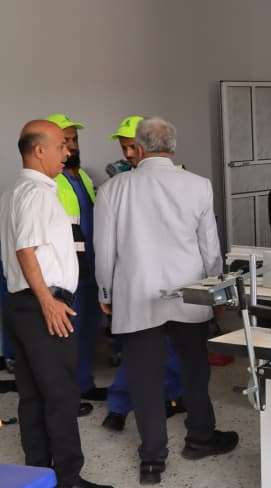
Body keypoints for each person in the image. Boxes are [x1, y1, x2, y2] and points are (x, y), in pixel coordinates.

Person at [94, 117, 238, 484]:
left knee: (144, 378)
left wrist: (105, 291)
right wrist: (216, 291)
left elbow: (104, 249)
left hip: (136, 295)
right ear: (172, 148)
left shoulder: (113, 189)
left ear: (139, 149)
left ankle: (152, 461)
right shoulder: (198, 185)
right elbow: (210, 248)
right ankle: (200, 438)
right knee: (195, 369)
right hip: (189, 293)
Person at [0, 119, 112, 488]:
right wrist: (48, 302)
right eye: (61, 145)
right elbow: (25, 250)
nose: (67, 151)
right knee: (61, 393)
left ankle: (39, 473)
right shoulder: (37, 192)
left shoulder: (14, 191)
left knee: (33, 394)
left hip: (20, 303)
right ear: (38, 150)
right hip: (42, 304)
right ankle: (68, 478)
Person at [100, 115, 185, 433]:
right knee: (136, 349)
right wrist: (107, 287)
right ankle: (119, 406)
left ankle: (172, 396)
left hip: (172, 278)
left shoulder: (177, 179)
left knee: (171, 346)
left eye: (131, 147)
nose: (127, 154)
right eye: (123, 148)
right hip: (135, 279)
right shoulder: (118, 183)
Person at [46, 113, 107, 415]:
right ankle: (66, 396)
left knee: (86, 331)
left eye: (74, 139)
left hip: (90, 267)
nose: (72, 146)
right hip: (67, 272)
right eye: (65, 141)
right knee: (67, 335)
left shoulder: (82, 177)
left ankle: (83, 384)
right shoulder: (50, 182)